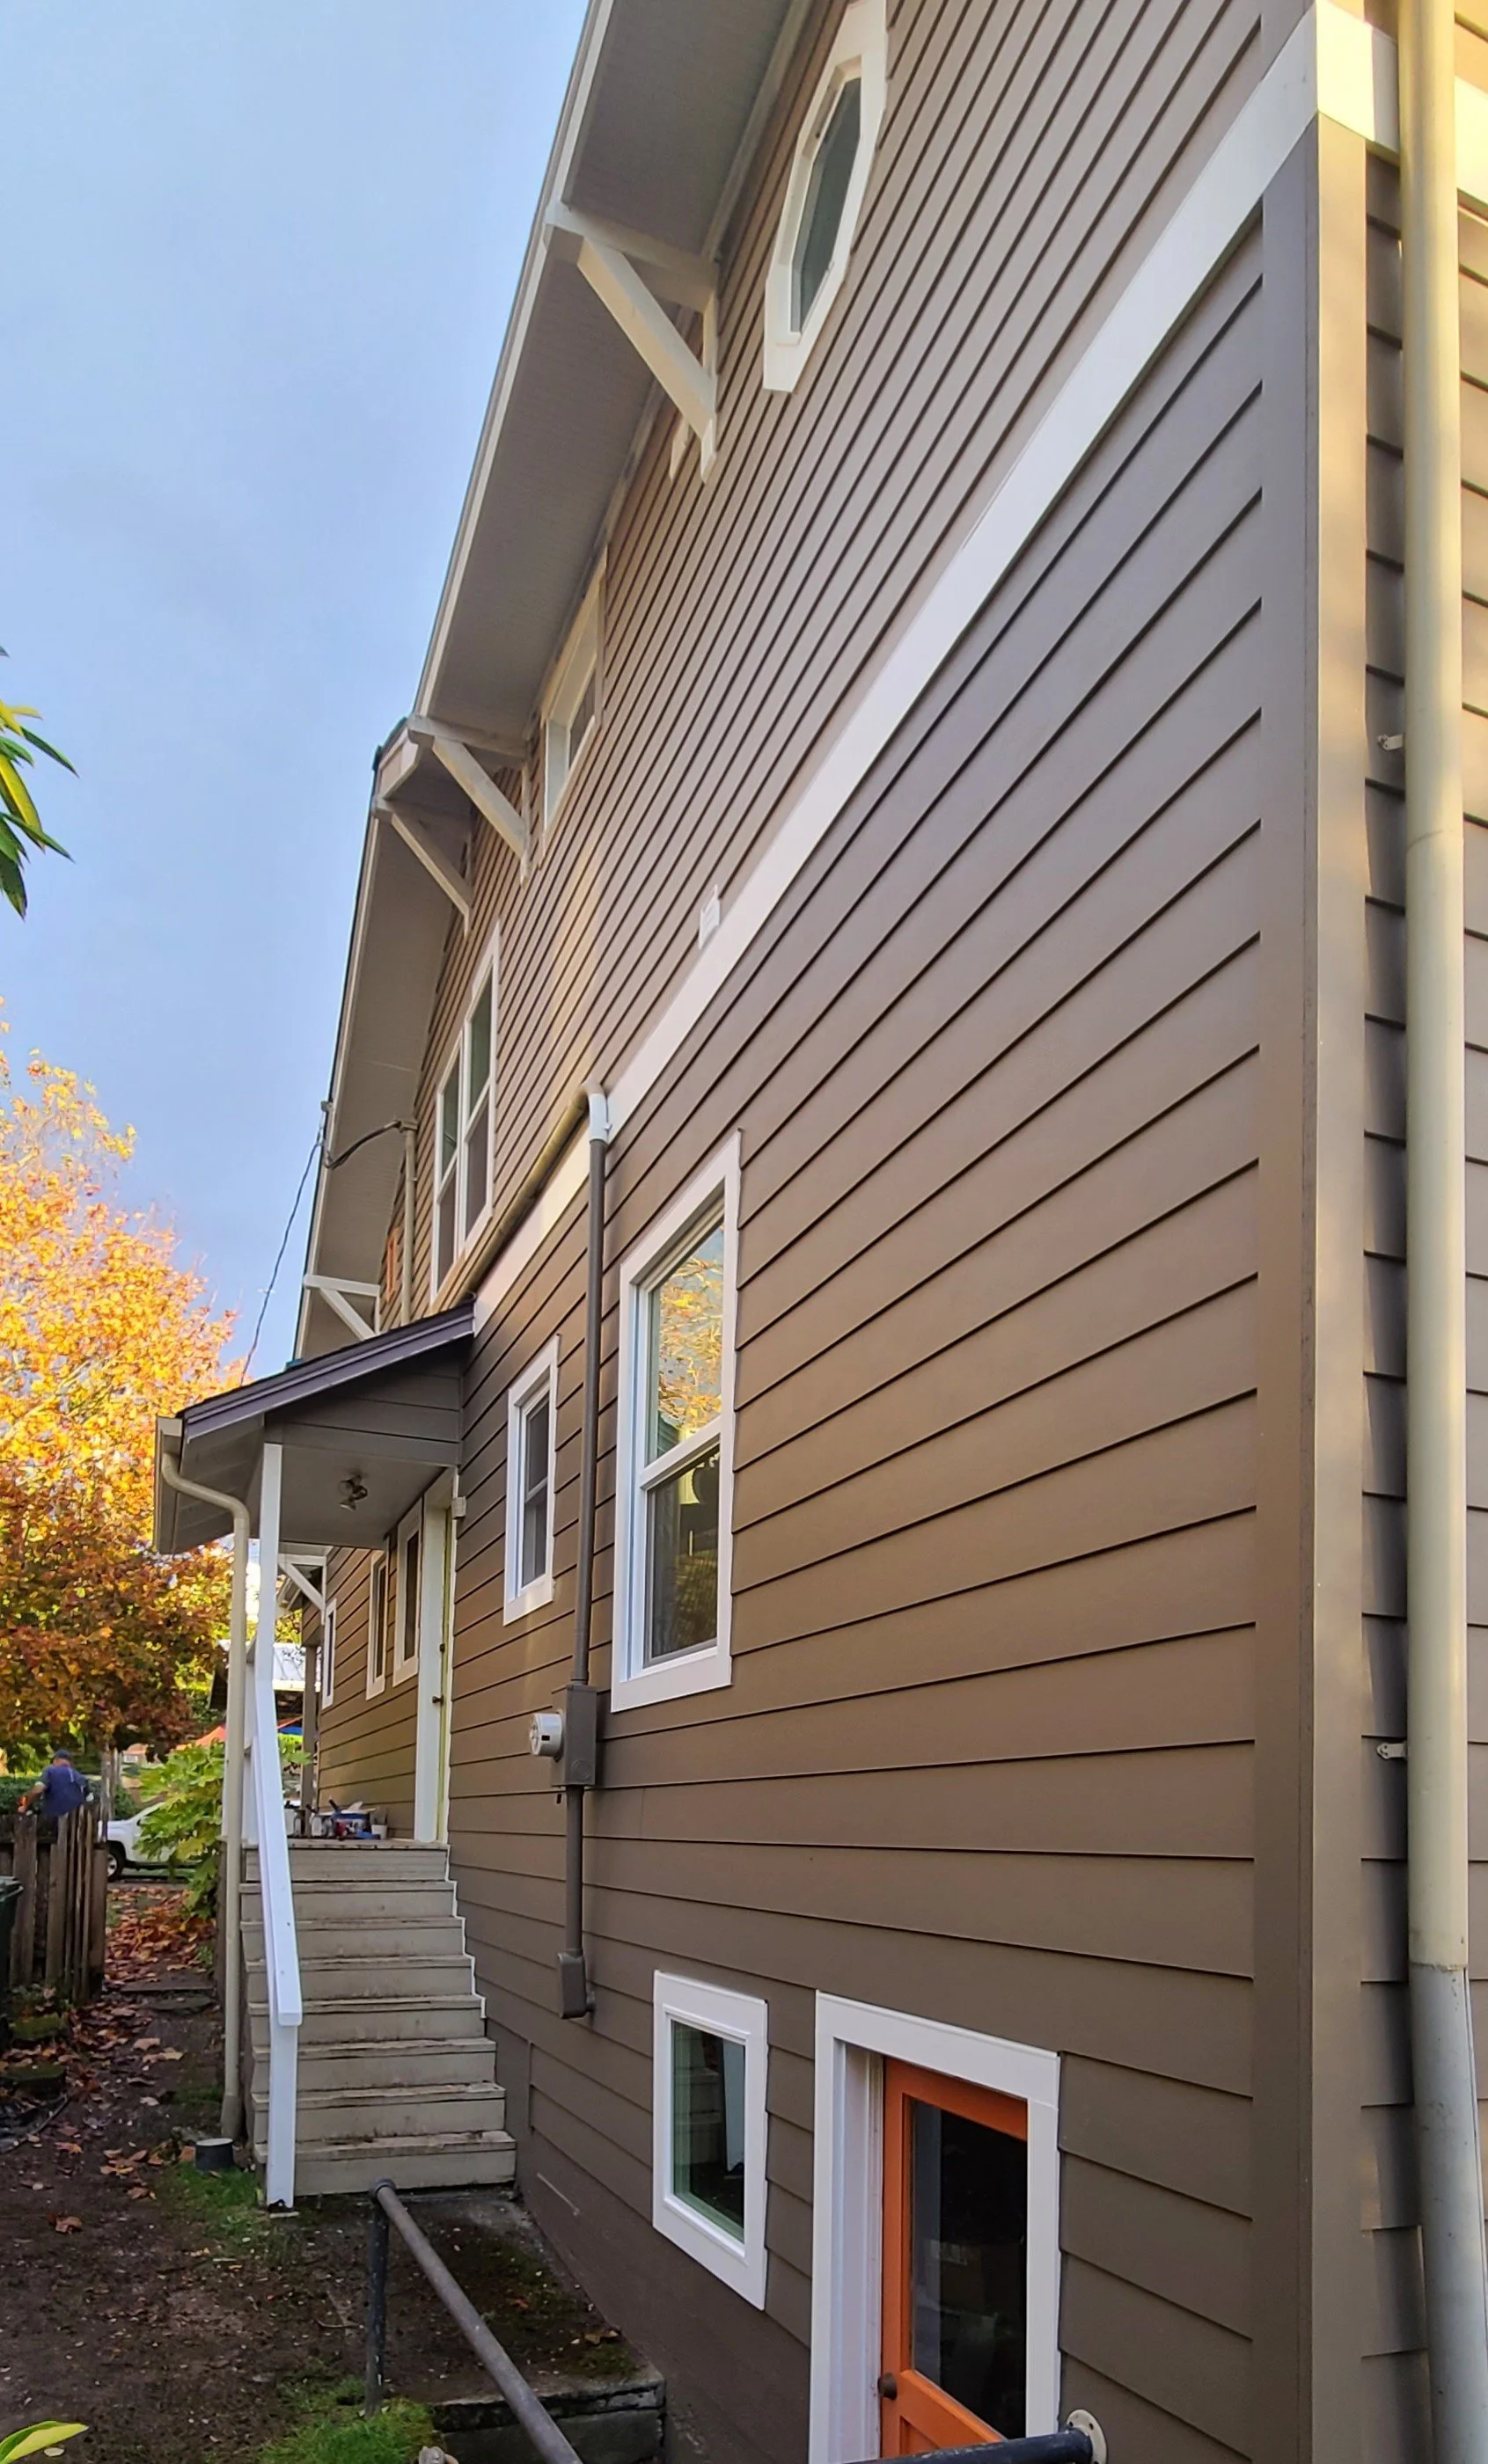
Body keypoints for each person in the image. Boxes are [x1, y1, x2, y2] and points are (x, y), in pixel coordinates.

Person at [20, 1751, 91, 1822]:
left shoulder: (50, 1771)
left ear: (56, 1760)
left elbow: (38, 1790)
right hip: (76, 1821)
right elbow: (90, 1799)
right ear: (70, 1762)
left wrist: (25, 1805)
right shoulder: (80, 1776)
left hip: (54, 1819)